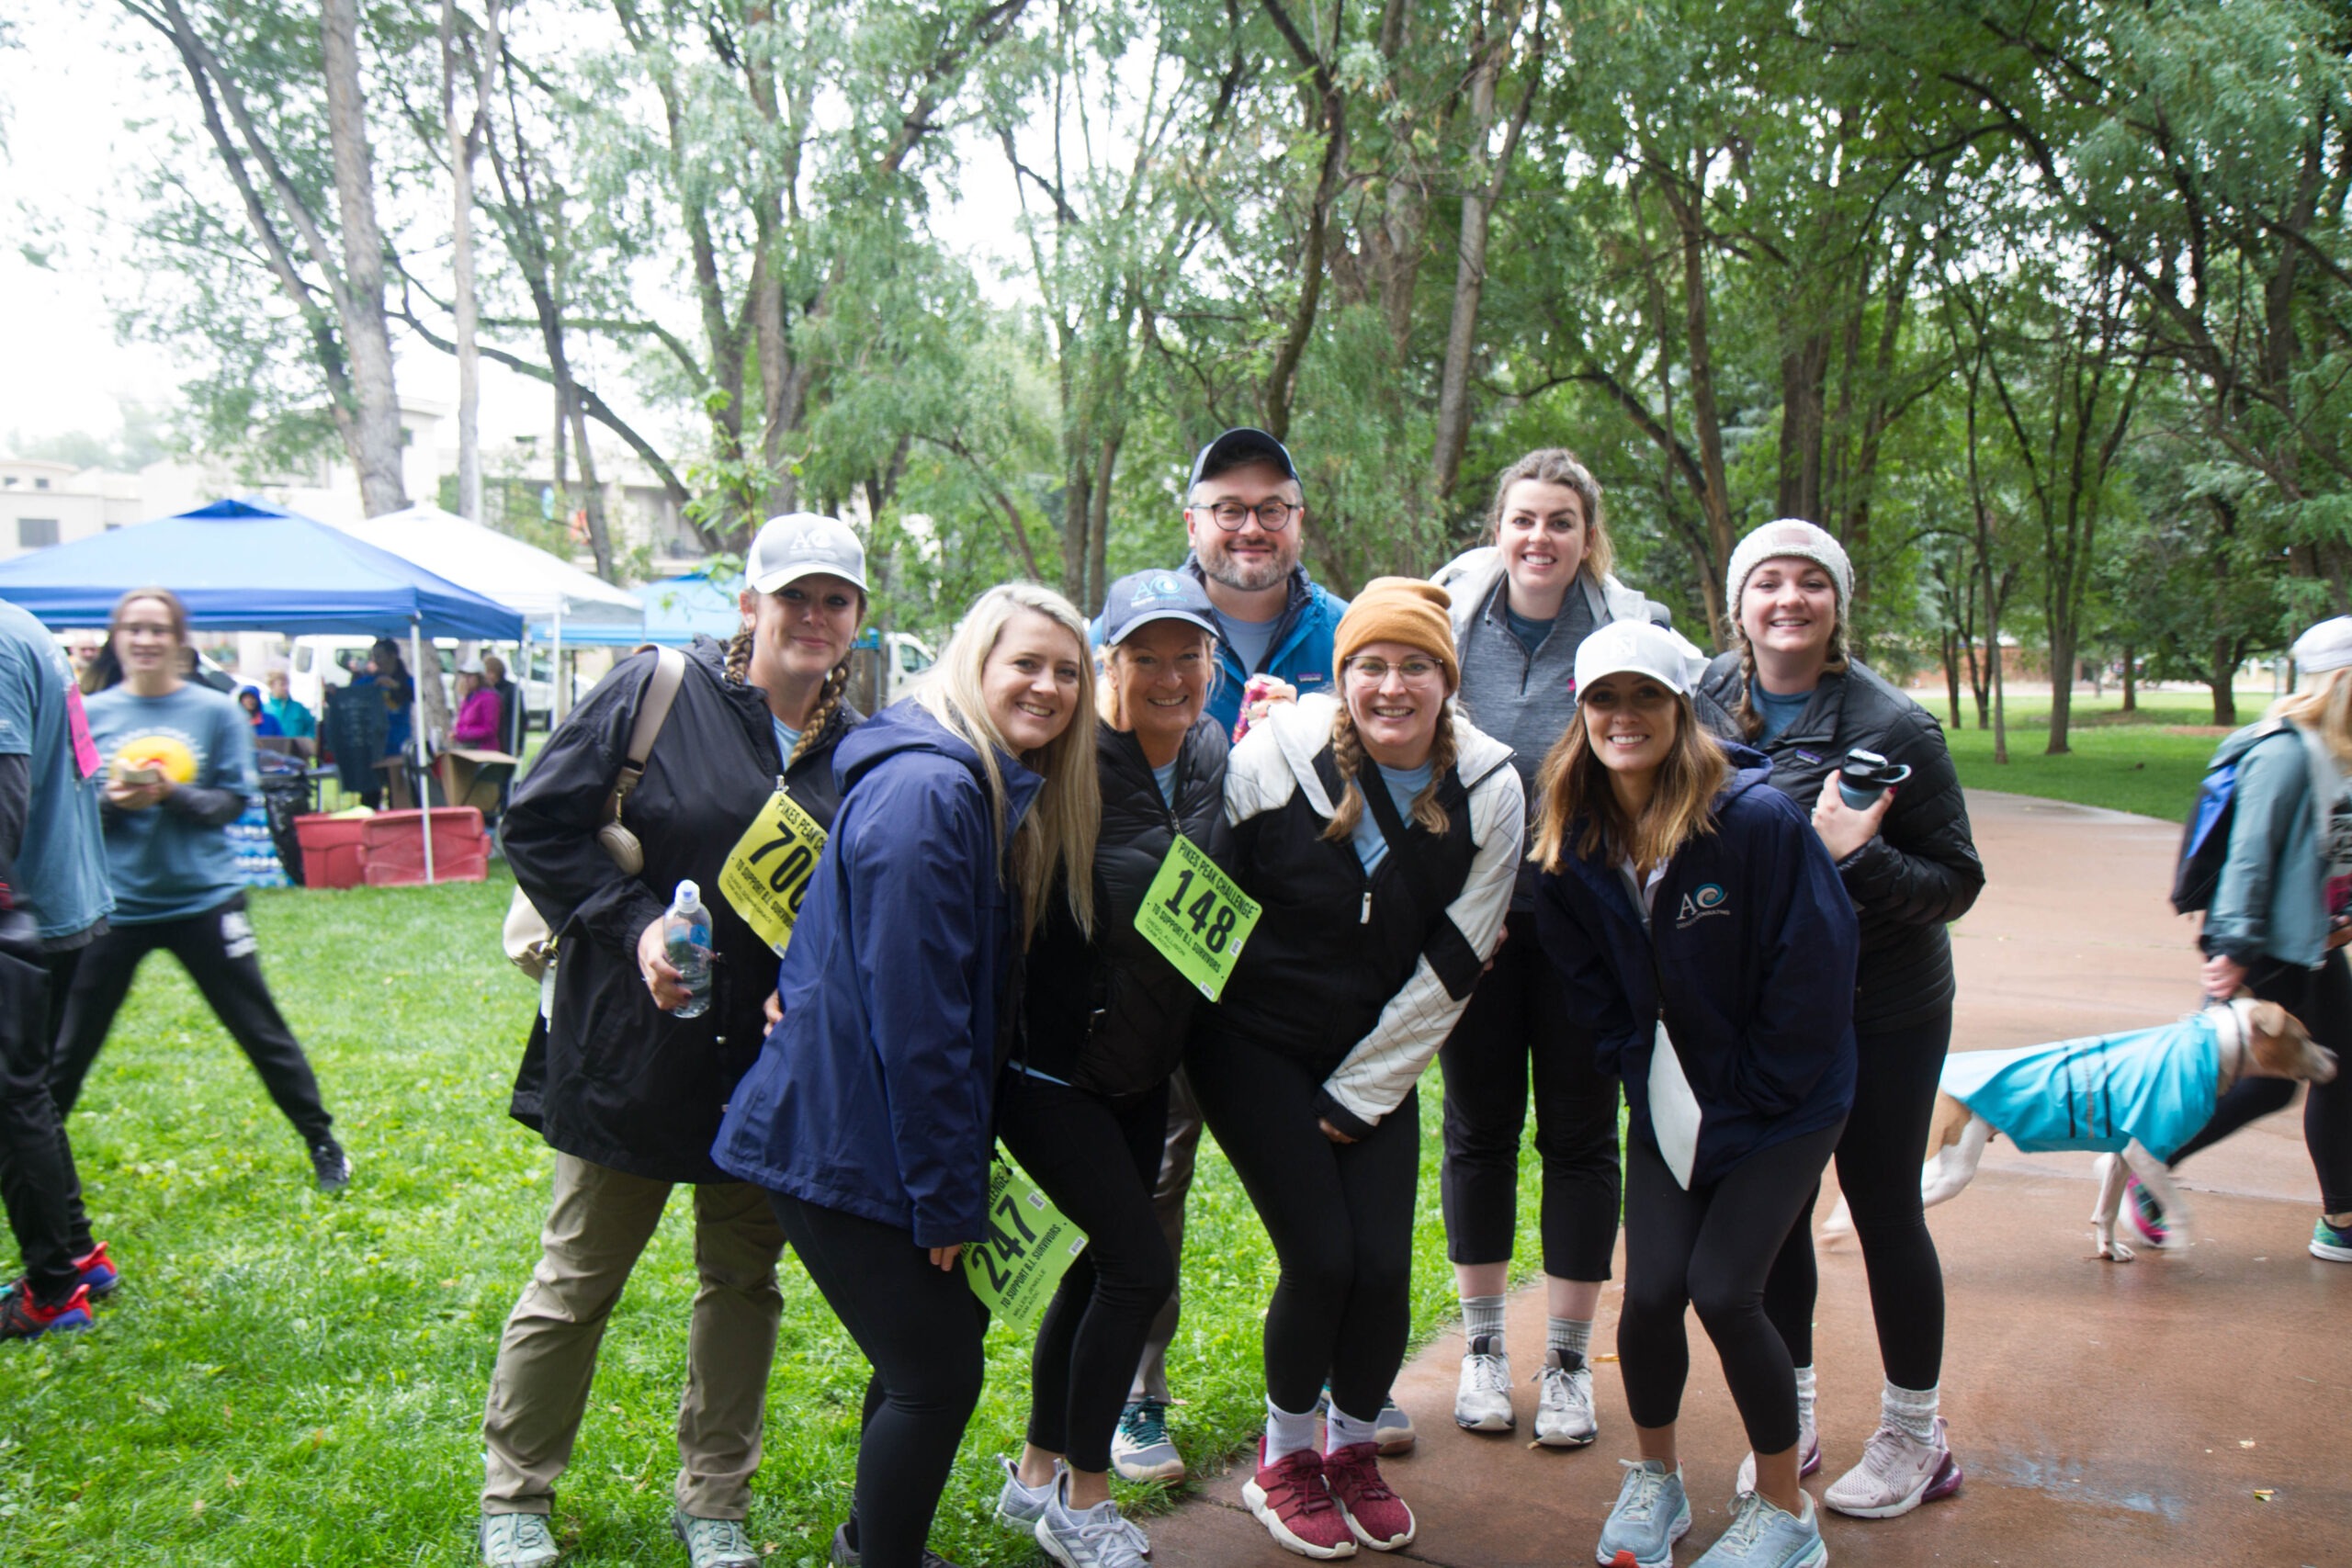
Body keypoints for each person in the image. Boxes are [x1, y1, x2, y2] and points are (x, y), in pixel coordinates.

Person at [479, 513, 872, 1568]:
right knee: (577, 1278)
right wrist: (637, 925)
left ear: (857, 620)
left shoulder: (860, 749)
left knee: (743, 1284)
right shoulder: (657, 688)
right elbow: (538, 823)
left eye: (835, 600)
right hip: (631, 1051)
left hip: (766, 1070)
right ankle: (515, 1496)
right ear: (750, 605)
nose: (813, 616)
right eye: (793, 596)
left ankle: (715, 1504)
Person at [713, 581, 1100, 1568]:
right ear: (975, 663)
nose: (1049, 687)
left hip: (862, 1117)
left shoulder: (966, 780)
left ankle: (873, 1543)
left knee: (928, 1350)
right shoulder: (933, 791)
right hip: (840, 1131)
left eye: (1067, 671)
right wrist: (944, 1195)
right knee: (935, 1375)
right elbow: (919, 1017)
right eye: (1026, 663)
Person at [1199, 579, 1521, 1559]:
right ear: (1343, 677)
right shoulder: (1271, 758)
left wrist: (1362, 1091)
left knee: (1382, 1267)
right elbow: (1202, 906)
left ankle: (1349, 1450)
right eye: (1370, 665)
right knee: (1324, 1258)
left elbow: (1460, 957)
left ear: (1447, 680)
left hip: (1376, 1051)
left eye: (1416, 665)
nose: (1392, 686)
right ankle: (1284, 1457)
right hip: (1250, 1044)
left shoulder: (1490, 787)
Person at [1534, 618, 1858, 1568]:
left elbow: (1816, 972)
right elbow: (1585, 977)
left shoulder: (1755, 822)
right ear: (1581, 713)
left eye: (1646, 696)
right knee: (1648, 1295)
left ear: (1683, 709)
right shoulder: (1576, 833)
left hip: (1786, 1098)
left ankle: (1786, 1514)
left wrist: (1750, 1098)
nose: (1623, 715)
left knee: (1723, 1290)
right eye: (1604, 698)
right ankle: (1656, 1478)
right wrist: (1636, 1065)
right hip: (1670, 1093)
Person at [1697, 518, 1984, 1518]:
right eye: (1767, 581)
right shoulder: (1699, 698)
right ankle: (1792, 1418)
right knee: (1774, 1217)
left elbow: (1957, 881)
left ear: (1837, 603)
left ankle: (1916, 1436)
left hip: (1883, 1007)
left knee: (1882, 1207)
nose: (1789, 599)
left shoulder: (1894, 727)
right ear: (1738, 604)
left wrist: (1859, 856)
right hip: (1766, 1012)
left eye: (1810, 582)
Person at [1114, 426, 1377, 1483]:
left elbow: (1403, 766)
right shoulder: (1139, 622)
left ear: (1299, 521)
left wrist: (1312, 727)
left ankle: (1329, 1381)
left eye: (1272, 507)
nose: (1250, 527)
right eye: (1228, 507)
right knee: (1153, 1169)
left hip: (1303, 964)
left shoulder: (1349, 631)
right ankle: (1138, 1394)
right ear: (1193, 522)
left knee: (1323, 1174)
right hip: (1165, 952)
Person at [1427, 448, 1702, 1448]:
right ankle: (1484, 1350)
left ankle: (1569, 1361)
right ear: (1498, 530)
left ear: (1589, 536)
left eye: (1560, 521)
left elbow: (1691, 745)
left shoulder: (1634, 629)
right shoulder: (1451, 622)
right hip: (1479, 925)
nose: (1539, 537)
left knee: (1582, 1138)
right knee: (1478, 1129)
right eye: (1523, 519)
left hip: (1589, 929)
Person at [991, 571, 1234, 1567]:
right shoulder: (1065, 761)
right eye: (1146, 657)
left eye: (1190, 655)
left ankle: (1034, 1472)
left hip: (1143, 1065)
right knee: (1137, 1268)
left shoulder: (1213, 752)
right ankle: (1083, 1503)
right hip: (1053, 1073)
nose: (1171, 677)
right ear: (1109, 665)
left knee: (1097, 1266)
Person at [49, 589, 349, 1191]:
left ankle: (322, 1141)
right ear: (117, 638)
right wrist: (113, 802)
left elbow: (229, 804)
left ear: (178, 641)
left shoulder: (215, 712)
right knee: (68, 1046)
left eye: (158, 629)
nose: (145, 640)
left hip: (204, 903)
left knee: (259, 1029)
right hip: (114, 908)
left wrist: (169, 793)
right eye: (133, 628)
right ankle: (35, 1160)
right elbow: (72, 814)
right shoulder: (91, 713)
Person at [2158, 614, 2352, 1265]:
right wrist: (2234, 950)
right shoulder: (2283, 752)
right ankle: (2146, 1165)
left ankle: (2342, 1219)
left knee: (2340, 1069)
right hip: (2264, 948)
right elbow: (2250, 856)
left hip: (2316, 943)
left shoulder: (2338, 751)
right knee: (2261, 1083)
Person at [0, 596, 118, 1340]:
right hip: (61, 897)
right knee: (27, 1091)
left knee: (12, 1099)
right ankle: (76, 1253)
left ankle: (52, 1290)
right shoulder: (24, 625)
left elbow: (5, 792)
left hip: (25, 908)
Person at [451, 662, 503, 750]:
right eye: (464, 676)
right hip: (467, 746)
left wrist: (464, 734)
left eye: (470, 676)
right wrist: (456, 733)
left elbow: (490, 729)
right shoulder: (469, 697)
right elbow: (462, 722)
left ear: (479, 678)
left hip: (482, 749)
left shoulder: (489, 698)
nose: (466, 680)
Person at [481, 653, 526, 752]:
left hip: (507, 736)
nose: (488, 676)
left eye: (490, 672)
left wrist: (519, 743)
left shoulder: (511, 689)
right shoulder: (484, 691)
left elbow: (520, 718)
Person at [262, 670, 317, 742]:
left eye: (287, 684)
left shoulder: (298, 708)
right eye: (282, 685)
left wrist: (306, 741)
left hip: (297, 748)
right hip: (273, 748)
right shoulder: (264, 710)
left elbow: (312, 727)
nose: (286, 688)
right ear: (272, 686)